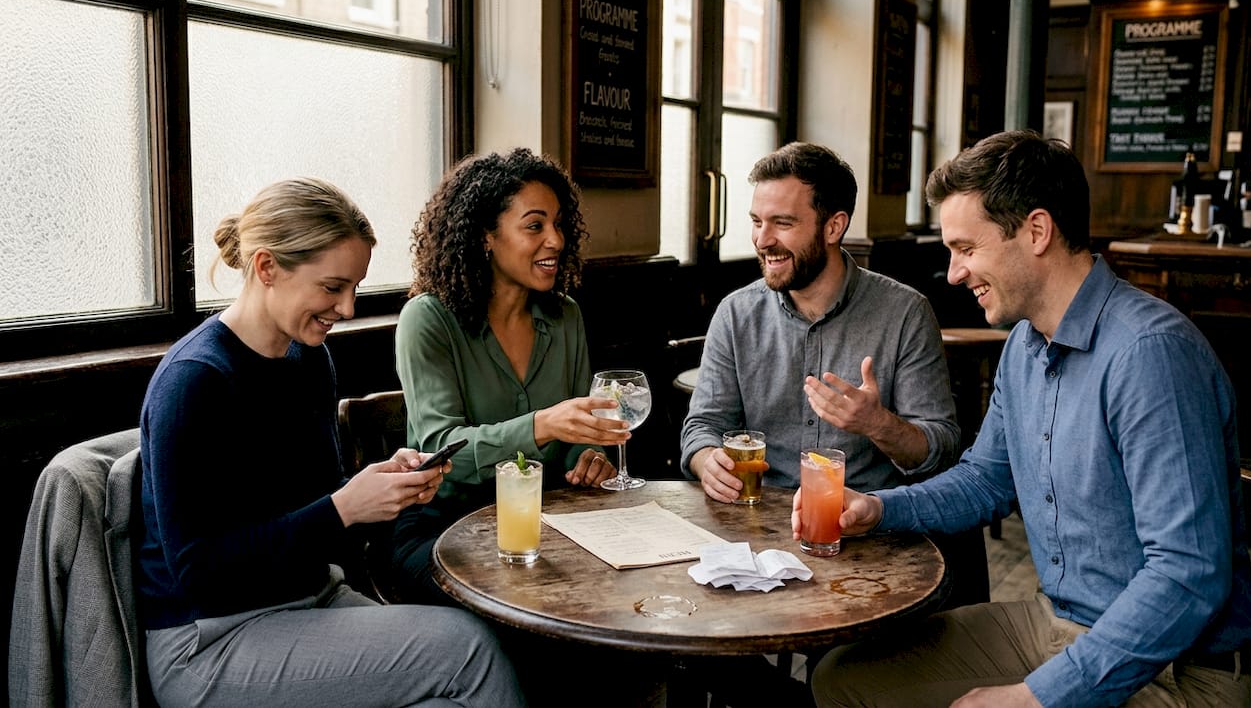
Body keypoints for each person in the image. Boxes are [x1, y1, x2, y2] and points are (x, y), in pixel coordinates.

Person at [804, 130, 1251, 708]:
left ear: (1037, 231)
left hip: (1178, 669)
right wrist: (879, 509)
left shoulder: (1150, 354)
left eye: (967, 249)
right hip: (1056, 623)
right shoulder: (1024, 344)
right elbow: (987, 480)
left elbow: (1189, 575)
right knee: (842, 680)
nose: (952, 272)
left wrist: (1039, 697)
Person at [136, 177, 524, 707]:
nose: (347, 309)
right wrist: (345, 506)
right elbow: (198, 570)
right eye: (332, 287)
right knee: (469, 649)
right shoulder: (196, 380)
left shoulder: (308, 360)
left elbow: (320, 508)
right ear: (267, 267)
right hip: (210, 643)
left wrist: (386, 492)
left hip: (308, 602)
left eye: (355, 288)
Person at [680, 141, 987, 607]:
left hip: (868, 540)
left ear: (834, 226)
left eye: (783, 223)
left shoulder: (904, 312)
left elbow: (940, 447)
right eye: (756, 222)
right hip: (757, 540)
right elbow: (702, 426)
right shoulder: (735, 314)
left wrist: (878, 424)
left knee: (848, 668)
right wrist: (706, 460)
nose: (763, 240)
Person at [389, 148, 624, 601]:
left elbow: (582, 433)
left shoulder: (564, 316)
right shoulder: (428, 319)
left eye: (558, 224)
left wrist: (588, 459)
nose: (555, 240)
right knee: (539, 599)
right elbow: (442, 453)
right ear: (486, 237)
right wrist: (542, 425)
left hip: (546, 521)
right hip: (444, 528)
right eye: (535, 226)